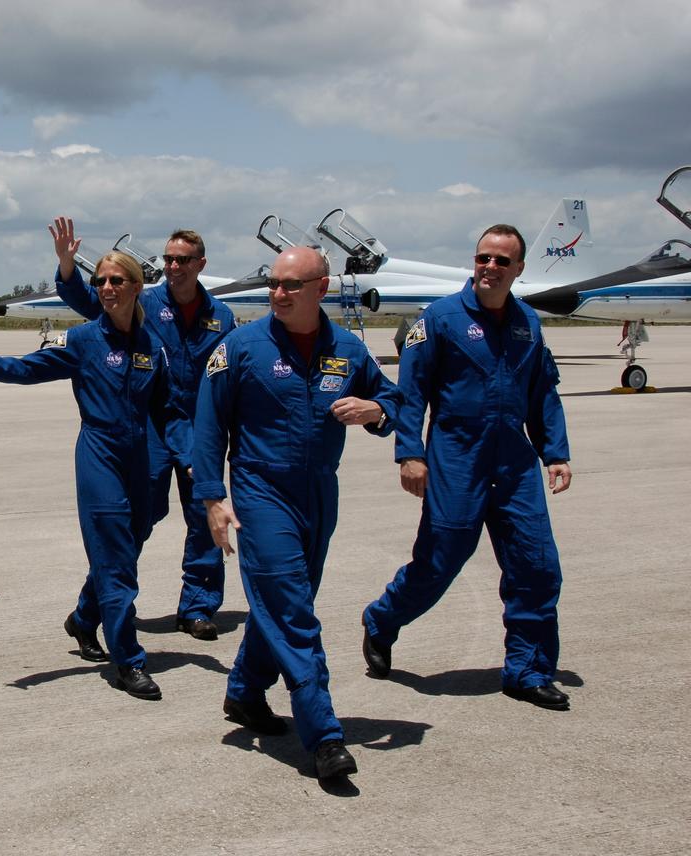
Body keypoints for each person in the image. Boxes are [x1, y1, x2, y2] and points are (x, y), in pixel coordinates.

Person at [193, 246, 400, 779]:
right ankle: (324, 734)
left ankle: (243, 694)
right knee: (293, 611)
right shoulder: (240, 347)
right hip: (261, 492)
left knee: (286, 601)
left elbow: (396, 399)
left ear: (322, 288)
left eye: (291, 285)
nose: (278, 293)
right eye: (274, 283)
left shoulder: (348, 349)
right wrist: (213, 498)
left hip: (319, 493)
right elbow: (209, 426)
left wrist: (375, 409)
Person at [0, 235, 186, 701]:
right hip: (98, 454)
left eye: (116, 280)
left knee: (130, 544)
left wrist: (191, 459)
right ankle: (129, 661)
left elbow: (172, 410)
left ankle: (82, 618)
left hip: (139, 458)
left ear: (137, 286)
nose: (106, 287)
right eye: (99, 281)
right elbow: (31, 368)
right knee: (117, 561)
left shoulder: (152, 344)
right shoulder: (82, 340)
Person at [361, 224, 573, 711]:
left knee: (536, 566)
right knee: (441, 559)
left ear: (518, 269)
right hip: (456, 457)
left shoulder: (527, 324)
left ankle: (527, 670)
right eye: (483, 258)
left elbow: (543, 392)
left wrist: (555, 452)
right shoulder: (439, 319)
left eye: (502, 261)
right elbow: (410, 394)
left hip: (514, 463)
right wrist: (409, 453)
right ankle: (382, 619)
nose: (490, 268)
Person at [54, 218, 236, 640]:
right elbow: (87, 298)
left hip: (202, 431)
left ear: (200, 263)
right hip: (150, 427)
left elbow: (230, 373)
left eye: (183, 260)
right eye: (169, 259)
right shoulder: (144, 302)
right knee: (136, 521)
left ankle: (197, 608)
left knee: (204, 517)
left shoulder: (221, 316)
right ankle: (91, 608)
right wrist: (67, 266)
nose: (174, 267)